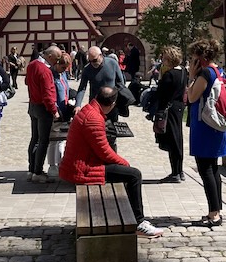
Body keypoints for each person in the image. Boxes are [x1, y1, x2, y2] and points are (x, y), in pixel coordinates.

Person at [59, 86, 164, 239]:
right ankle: (138, 222)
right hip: (84, 169)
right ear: (112, 104)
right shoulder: (93, 118)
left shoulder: (90, 110)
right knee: (134, 175)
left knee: (127, 173)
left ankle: (133, 218)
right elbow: (104, 152)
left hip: (83, 163)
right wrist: (124, 163)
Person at [186, 37, 226, 227]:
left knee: (206, 170)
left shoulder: (205, 74)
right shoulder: (220, 71)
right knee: (213, 168)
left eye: (193, 57)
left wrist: (190, 77)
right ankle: (216, 210)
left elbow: (192, 97)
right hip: (216, 125)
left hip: (205, 127)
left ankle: (214, 214)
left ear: (200, 58)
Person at [26, 45, 61, 182]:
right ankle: (38, 172)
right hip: (43, 108)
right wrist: (54, 111)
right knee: (43, 141)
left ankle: (31, 169)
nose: (57, 62)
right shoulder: (45, 71)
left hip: (32, 105)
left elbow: (26, 81)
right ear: (50, 56)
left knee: (34, 138)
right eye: (56, 59)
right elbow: (48, 95)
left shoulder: (32, 64)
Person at [155, 45, 187, 183]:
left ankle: (175, 172)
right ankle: (179, 171)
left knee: (173, 139)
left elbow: (161, 93)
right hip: (179, 107)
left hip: (169, 108)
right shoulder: (184, 72)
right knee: (178, 138)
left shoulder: (169, 75)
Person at [46, 51, 73, 179]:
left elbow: (66, 90)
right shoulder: (51, 75)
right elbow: (50, 94)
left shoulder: (63, 75)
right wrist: (55, 110)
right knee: (53, 139)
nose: (64, 70)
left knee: (62, 139)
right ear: (57, 64)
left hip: (64, 111)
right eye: (63, 67)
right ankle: (52, 166)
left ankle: (61, 164)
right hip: (55, 112)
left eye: (66, 68)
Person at [74, 46, 125, 111]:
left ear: (101, 55)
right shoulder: (87, 69)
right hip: (95, 105)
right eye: (90, 61)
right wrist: (78, 105)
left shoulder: (112, 63)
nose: (93, 63)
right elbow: (82, 88)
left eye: (95, 60)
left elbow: (121, 83)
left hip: (111, 105)